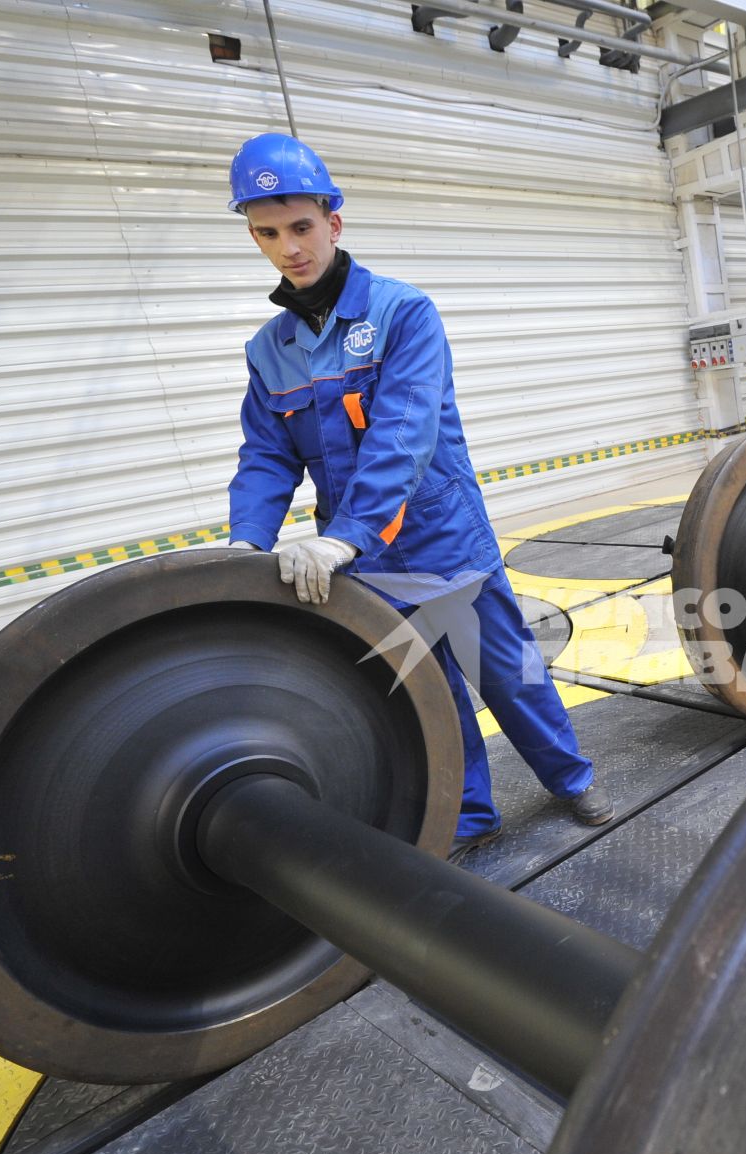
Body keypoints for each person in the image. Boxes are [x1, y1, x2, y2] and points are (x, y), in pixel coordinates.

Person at [221, 132, 612, 853]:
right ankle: (468, 813)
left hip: (440, 535)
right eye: (267, 233)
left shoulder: (403, 315)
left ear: (334, 222)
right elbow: (266, 456)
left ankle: (573, 779)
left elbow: (404, 435)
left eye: (301, 227)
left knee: (508, 673)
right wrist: (248, 539)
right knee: (425, 693)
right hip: (364, 560)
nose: (288, 248)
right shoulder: (267, 351)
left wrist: (346, 531)